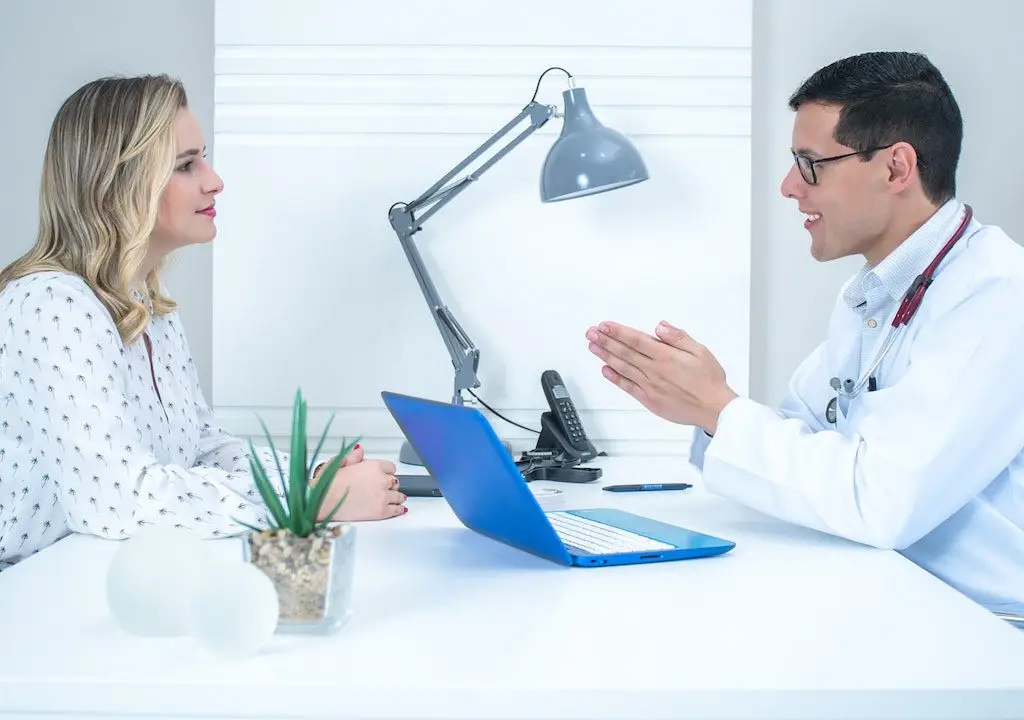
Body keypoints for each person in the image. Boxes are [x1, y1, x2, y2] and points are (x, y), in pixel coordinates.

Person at [585, 51, 1024, 617]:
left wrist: (718, 409)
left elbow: (880, 501)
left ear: (896, 168)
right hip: (896, 594)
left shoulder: (996, 293)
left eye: (811, 163)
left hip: (986, 631)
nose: (790, 186)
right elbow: (808, 437)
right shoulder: (874, 294)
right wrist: (700, 406)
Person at [0, 75, 406, 571]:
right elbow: (116, 500)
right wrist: (315, 504)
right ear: (120, 182)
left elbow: (201, 450)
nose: (214, 181)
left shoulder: (147, 301)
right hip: (28, 595)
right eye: (186, 165)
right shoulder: (49, 305)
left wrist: (307, 477)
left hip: (94, 572)